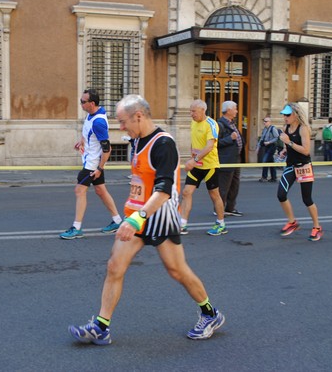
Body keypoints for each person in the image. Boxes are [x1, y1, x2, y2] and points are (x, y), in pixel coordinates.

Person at [68, 94, 225, 345]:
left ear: (138, 116)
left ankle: (210, 314)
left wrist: (137, 219)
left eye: (122, 121)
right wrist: (133, 216)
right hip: (136, 216)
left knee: (177, 271)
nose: (120, 127)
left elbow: (163, 190)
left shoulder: (163, 144)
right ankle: (101, 326)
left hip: (159, 216)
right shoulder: (137, 140)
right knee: (114, 266)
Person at [60, 88, 122, 239]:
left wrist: (99, 168)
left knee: (79, 191)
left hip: (92, 165)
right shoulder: (91, 115)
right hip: (91, 161)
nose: (80, 104)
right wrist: (82, 142)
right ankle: (118, 221)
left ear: (92, 103)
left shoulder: (99, 122)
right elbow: (88, 132)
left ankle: (76, 228)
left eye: (83, 102)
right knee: (101, 191)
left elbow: (107, 148)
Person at [179, 99, 227, 236]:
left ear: (202, 110)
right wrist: (191, 158)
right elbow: (194, 142)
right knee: (186, 192)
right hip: (196, 165)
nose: (191, 114)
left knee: (214, 195)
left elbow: (209, 146)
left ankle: (221, 224)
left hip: (210, 166)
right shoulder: (193, 122)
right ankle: (182, 224)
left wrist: (193, 160)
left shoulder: (211, 124)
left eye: (193, 111)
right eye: (190, 111)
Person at [277, 103, 323, 241]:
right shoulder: (285, 128)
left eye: (287, 115)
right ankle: (292, 222)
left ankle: (317, 227)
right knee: (281, 194)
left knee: (307, 199)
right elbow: (288, 146)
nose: (285, 117)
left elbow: (306, 150)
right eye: (284, 114)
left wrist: (289, 143)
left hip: (304, 166)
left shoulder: (303, 129)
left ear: (296, 115)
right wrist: (284, 151)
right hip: (291, 165)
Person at [216, 101, 243, 216]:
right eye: (235, 109)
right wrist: (230, 138)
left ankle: (230, 208)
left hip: (236, 159)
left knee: (234, 184)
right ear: (228, 110)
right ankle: (219, 209)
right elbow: (215, 143)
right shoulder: (220, 124)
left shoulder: (232, 123)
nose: (237, 111)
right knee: (224, 186)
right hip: (226, 160)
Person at [257, 116, 280, 182]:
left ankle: (264, 177)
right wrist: (258, 147)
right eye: (264, 121)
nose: (264, 122)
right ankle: (274, 177)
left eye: (266, 121)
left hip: (272, 146)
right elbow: (262, 138)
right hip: (266, 146)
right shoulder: (265, 129)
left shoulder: (273, 128)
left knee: (265, 160)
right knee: (271, 162)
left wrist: (269, 142)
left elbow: (277, 137)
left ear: (270, 122)